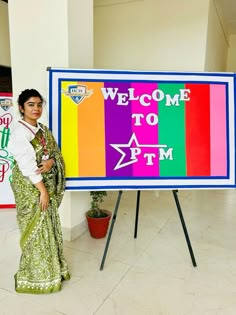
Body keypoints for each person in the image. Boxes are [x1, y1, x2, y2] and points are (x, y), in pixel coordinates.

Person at [8, 89, 70, 294]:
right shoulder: (19, 132)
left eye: (38, 104)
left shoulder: (42, 129)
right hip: (30, 187)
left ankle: (53, 271)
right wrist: (42, 191)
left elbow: (54, 154)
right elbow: (26, 166)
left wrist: (52, 162)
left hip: (44, 184)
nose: (36, 109)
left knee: (48, 227)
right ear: (21, 108)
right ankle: (35, 276)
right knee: (36, 231)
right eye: (30, 105)